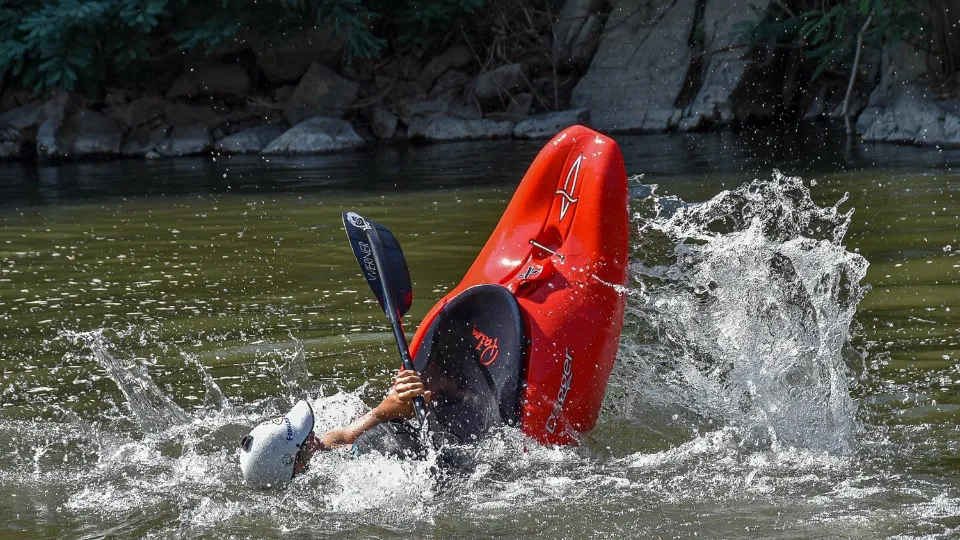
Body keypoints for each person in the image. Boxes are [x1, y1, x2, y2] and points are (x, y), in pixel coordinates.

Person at [239, 369, 431, 489]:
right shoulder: (328, 487)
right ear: (295, 465)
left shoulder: (318, 449)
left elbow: (351, 432)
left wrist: (394, 404)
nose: (313, 435)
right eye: (306, 438)